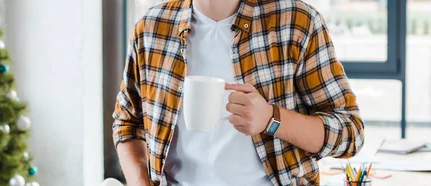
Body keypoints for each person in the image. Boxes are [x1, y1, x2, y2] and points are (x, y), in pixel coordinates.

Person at [112, 0, 365, 185]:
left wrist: (270, 119)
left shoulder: (297, 22)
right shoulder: (151, 27)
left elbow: (350, 133)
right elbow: (127, 123)